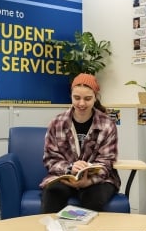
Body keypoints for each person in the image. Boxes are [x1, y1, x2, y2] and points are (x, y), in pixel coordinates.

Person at [39, 73, 121, 212]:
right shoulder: (57, 123)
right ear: (71, 96)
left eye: (87, 99)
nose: (81, 103)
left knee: (94, 198)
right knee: (52, 193)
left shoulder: (107, 124)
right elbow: (50, 159)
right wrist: (70, 168)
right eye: (77, 98)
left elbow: (107, 162)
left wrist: (88, 181)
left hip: (97, 180)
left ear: (95, 97)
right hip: (65, 176)